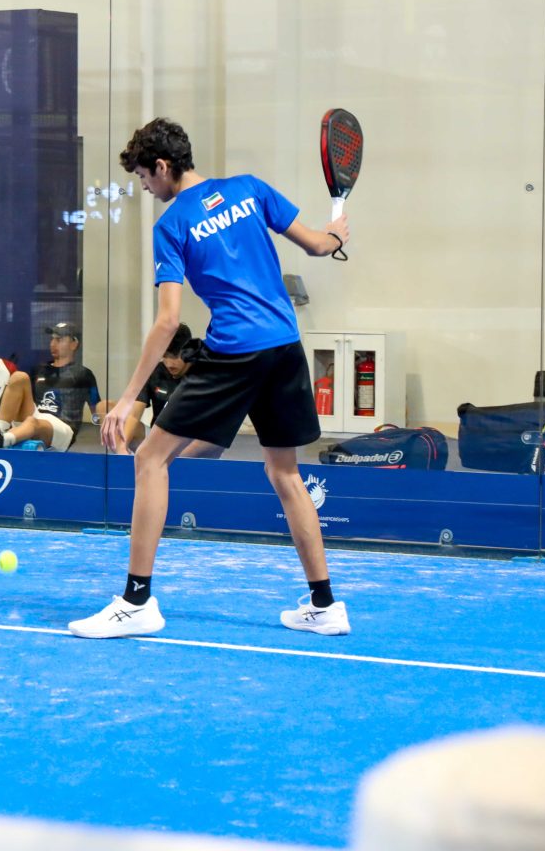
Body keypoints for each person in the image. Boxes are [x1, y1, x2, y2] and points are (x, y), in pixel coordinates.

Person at [69, 117, 352, 639]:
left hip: (234, 353)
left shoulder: (172, 225)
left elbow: (168, 321)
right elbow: (316, 245)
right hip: (285, 347)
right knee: (285, 473)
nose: (145, 187)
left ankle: (136, 601)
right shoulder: (250, 188)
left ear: (162, 166)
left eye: (144, 177)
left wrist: (126, 399)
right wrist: (336, 233)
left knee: (150, 459)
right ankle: (325, 605)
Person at [95, 323, 219, 456]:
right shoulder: (156, 371)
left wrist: (178, 458)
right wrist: (121, 449)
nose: (169, 363)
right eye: (165, 356)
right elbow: (134, 414)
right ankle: (128, 457)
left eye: (175, 356)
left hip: (191, 442)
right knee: (105, 407)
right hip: (158, 439)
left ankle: (173, 461)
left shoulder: (205, 374)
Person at [0, 322, 101, 451]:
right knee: (19, 377)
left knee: (32, 422)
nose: (52, 344)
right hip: (36, 416)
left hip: (63, 427)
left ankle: (4, 440)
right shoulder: (39, 369)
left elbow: (96, 410)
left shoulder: (83, 374)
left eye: (59, 339)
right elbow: (26, 401)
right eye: (52, 339)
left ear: (74, 344)